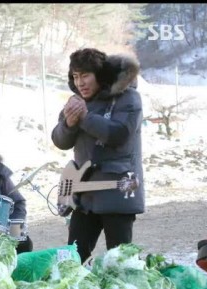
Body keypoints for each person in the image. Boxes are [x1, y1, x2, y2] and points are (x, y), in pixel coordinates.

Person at [51, 48, 145, 264]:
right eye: (75, 76)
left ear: (99, 75)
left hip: (118, 192)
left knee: (121, 263)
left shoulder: (128, 98)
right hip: (84, 197)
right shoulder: (75, 102)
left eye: (85, 75)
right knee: (73, 260)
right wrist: (69, 123)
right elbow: (59, 140)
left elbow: (118, 134)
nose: (80, 82)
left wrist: (83, 117)